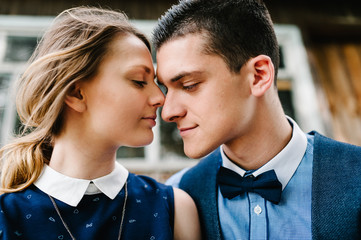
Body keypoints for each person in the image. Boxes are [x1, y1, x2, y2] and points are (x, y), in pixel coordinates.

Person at [152, 0, 361, 239]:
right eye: (166, 89)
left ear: (258, 75)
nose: (168, 112)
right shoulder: (177, 199)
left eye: (189, 85)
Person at [0, 6, 201, 240]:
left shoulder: (175, 209)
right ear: (76, 93)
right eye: (138, 81)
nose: (160, 98)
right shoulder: (6, 215)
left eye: (155, 83)